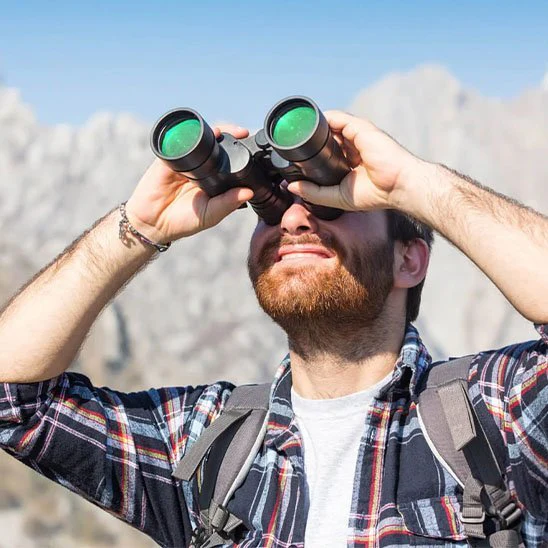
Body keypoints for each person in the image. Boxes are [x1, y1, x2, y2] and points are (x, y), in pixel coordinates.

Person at [0, 111, 546, 547]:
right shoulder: (209, 441)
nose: (292, 218)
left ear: (409, 260)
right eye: (270, 208)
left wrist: (415, 184)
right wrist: (140, 227)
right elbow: (15, 402)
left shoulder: (496, 413)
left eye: (330, 203)